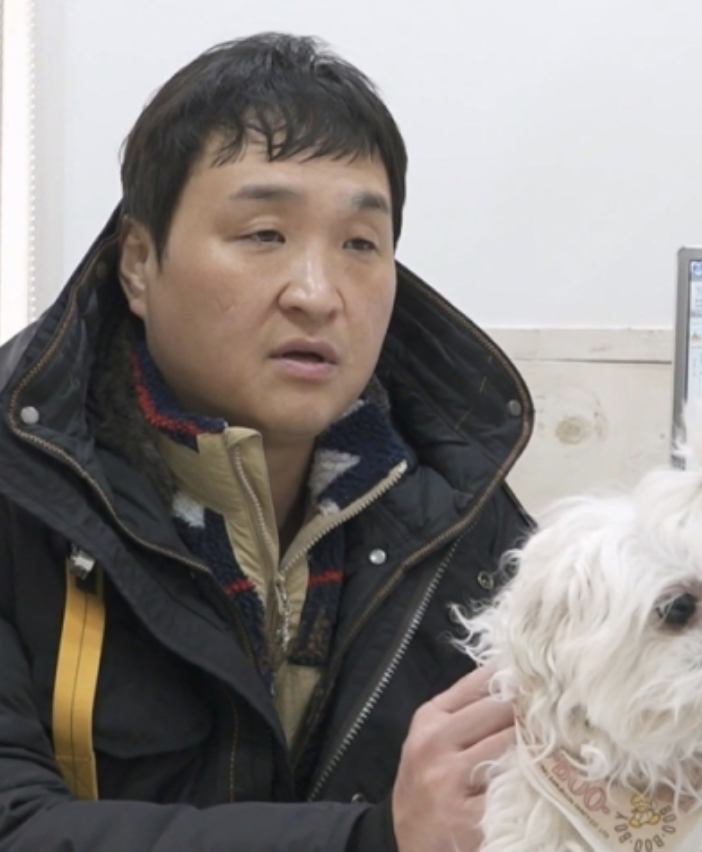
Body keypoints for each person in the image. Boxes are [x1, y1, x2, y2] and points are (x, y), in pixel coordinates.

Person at [0, 32, 533, 852]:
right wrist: (372, 841)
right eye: (262, 235)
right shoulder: (24, 489)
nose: (317, 294)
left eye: (360, 244)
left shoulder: (457, 507)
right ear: (138, 262)